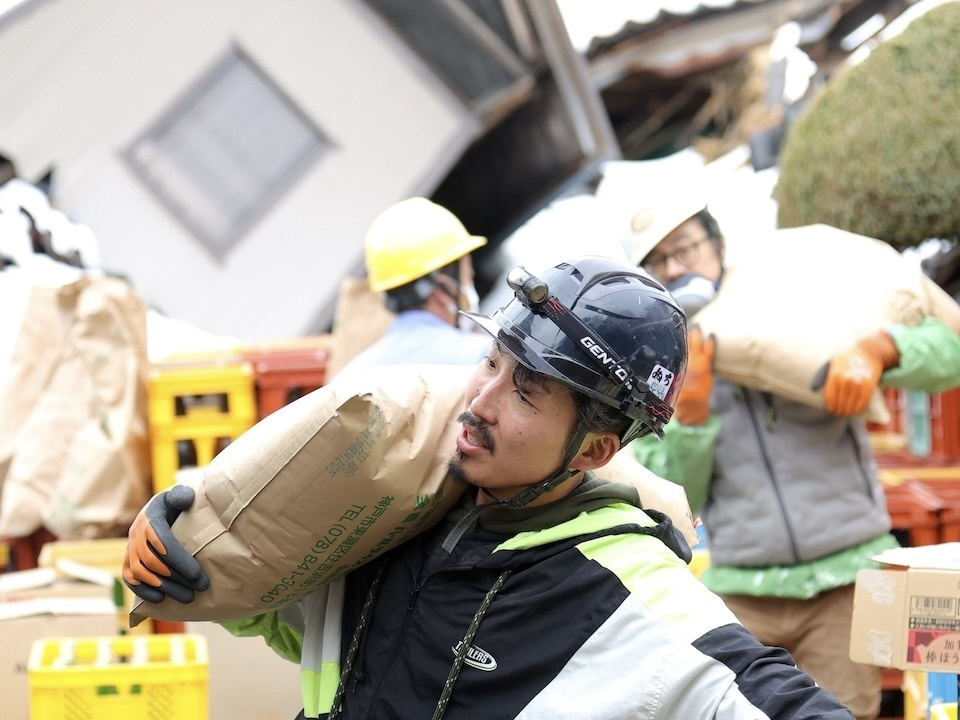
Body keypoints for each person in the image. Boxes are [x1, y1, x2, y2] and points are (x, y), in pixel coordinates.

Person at [124, 255, 856, 720]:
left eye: (529, 390)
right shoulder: (408, 502)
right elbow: (306, 627)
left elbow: (768, 694)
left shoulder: (625, 587)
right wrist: (174, 554)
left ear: (595, 448)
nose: (482, 399)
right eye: (493, 362)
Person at [630, 205, 960, 720]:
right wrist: (691, 419)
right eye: (656, 262)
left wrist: (881, 350)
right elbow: (674, 492)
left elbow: (948, 354)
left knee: (850, 713)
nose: (673, 269)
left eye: (683, 250)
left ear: (718, 246)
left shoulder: (803, 303)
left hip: (846, 580)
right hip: (742, 591)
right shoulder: (660, 360)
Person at [333, 197, 491, 378]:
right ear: (445, 285)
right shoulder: (486, 361)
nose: (470, 284)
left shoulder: (348, 377)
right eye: (468, 276)